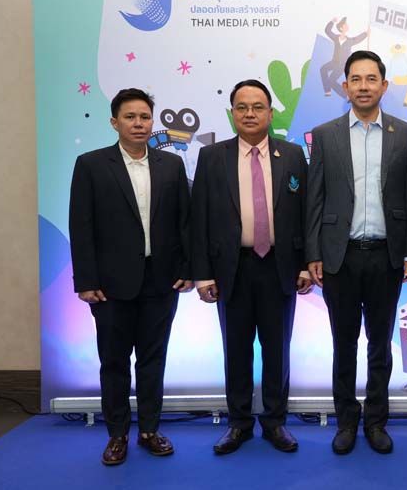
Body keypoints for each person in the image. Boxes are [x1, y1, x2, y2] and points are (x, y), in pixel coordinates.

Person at [305, 50, 407, 455]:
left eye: (372, 79)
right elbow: (315, 198)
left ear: (384, 86)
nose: (364, 86)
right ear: (345, 86)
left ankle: (375, 421)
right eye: (356, 79)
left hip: (386, 256)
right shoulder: (325, 134)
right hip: (339, 256)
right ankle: (346, 421)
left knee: (379, 344)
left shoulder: (405, 134)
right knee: (343, 344)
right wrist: (313, 252)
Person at [69, 88, 192, 465]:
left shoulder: (172, 165)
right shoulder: (91, 164)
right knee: (114, 362)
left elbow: (185, 223)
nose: (139, 124)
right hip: (110, 285)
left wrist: (187, 269)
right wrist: (86, 281)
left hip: (161, 281)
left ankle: (150, 430)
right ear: (114, 122)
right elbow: (81, 226)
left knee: (153, 360)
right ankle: (117, 435)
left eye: (145, 117)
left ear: (152, 122)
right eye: (130, 117)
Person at [191, 79, 312, 455]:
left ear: (270, 113)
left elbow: (306, 214)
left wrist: (305, 265)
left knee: (278, 350)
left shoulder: (292, 155)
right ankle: (239, 423)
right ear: (232, 114)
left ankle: (275, 422)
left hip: (280, 267)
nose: (249, 114)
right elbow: (199, 218)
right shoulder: (212, 157)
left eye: (257, 107)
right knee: (236, 350)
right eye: (241, 107)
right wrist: (203, 273)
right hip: (233, 269)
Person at [319, 17, 369, 98]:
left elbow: (357, 39)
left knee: (331, 80)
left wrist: (366, 33)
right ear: (341, 28)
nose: (347, 25)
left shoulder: (349, 41)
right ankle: (327, 90)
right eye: (345, 25)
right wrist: (332, 21)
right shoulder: (336, 38)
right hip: (334, 62)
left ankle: (346, 95)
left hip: (342, 65)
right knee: (323, 69)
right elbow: (327, 31)